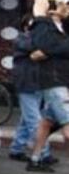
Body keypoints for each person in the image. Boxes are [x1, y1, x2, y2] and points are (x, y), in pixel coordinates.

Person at [26, 0, 69, 173]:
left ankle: (35, 159)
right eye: (65, 4)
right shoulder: (44, 25)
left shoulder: (61, 27)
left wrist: (49, 51)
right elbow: (39, 46)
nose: (67, 8)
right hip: (54, 81)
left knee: (46, 123)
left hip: (61, 79)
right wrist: (40, 15)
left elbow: (48, 49)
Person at [9, 16, 52, 163]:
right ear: (26, 27)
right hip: (26, 83)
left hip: (38, 83)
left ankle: (16, 149)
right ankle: (44, 154)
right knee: (35, 120)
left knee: (27, 119)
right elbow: (41, 50)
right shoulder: (22, 39)